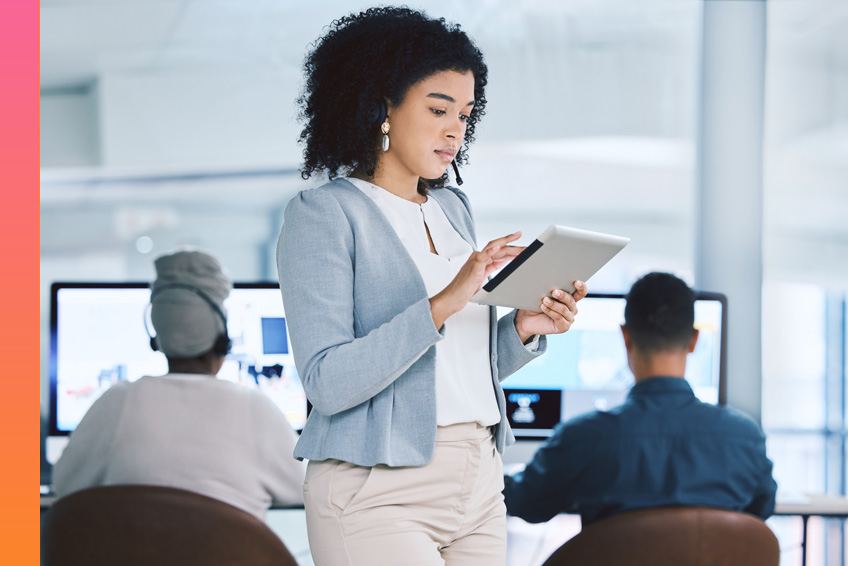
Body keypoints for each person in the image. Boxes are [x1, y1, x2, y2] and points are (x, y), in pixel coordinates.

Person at [276, 7, 587, 565]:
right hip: (376, 487)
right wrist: (446, 301)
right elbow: (327, 382)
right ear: (381, 108)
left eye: (466, 114)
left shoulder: (453, 209)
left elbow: (449, 367)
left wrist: (521, 330)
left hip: (479, 478)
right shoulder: (323, 215)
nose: (455, 129)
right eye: (438, 108)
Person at [503, 272, 777, 527]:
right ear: (694, 340)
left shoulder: (583, 438)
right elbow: (760, 511)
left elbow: (526, 503)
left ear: (626, 337)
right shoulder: (745, 438)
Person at [53, 248, 305, 520]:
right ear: (222, 341)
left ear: (156, 338)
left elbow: (65, 485)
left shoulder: (118, 402)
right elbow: (303, 490)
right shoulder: (255, 408)